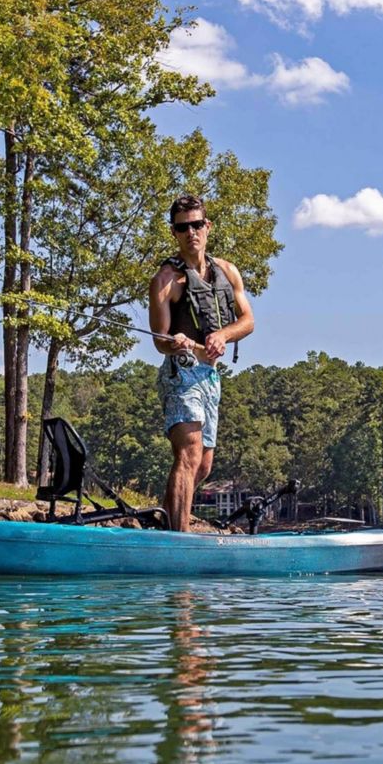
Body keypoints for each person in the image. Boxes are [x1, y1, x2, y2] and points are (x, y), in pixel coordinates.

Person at [149, 194, 254, 531]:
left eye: (196, 224)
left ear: (207, 226)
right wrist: (174, 341)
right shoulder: (165, 280)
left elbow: (248, 320)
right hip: (181, 374)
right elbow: (159, 339)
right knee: (189, 453)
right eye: (183, 228)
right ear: (174, 233)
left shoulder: (227, 271)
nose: (190, 232)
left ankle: (164, 525)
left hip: (210, 377)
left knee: (203, 466)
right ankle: (179, 541)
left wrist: (223, 335)